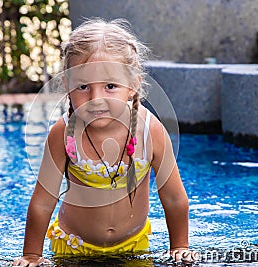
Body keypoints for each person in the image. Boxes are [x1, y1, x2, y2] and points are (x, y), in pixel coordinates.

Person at [13, 18, 194, 266]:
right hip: (71, 248)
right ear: (67, 85)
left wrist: (180, 247)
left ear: (133, 85)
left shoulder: (149, 131)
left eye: (110, 86)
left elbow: (174, 198)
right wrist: (31, 255)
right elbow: (43, 202)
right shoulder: (63, 134)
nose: (96, 99)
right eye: (84, 86)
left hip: (134, 247)